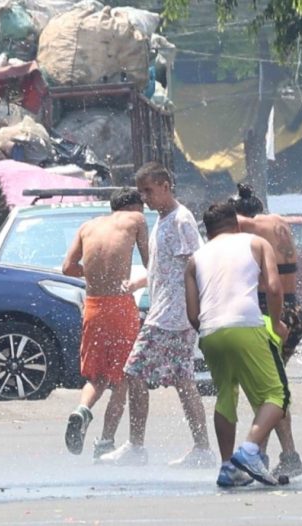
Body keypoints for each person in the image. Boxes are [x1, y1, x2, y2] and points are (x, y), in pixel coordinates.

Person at [98, 162, 216, 468]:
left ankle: (136, 446)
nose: (145, 198)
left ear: (165, 185)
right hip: (169, 313)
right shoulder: (163, 220)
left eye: (149, 191)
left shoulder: (181, 220)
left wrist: (195, 311)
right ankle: (202, 449)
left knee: (133, 372)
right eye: (142, 192)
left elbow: (197, 264)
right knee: (184, 381)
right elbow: (163, 267)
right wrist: (139, 281)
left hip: (172, 318)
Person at [185, 202, 290, 486]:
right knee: (277, 396)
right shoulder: (255, 243)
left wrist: (212, 331)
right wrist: (277, 323)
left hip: (210, 331)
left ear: (207, 233)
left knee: (225, 396)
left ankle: (227, 466)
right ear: (237, 224)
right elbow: (274, 287)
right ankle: (249, 449)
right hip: (246, 324)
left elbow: (192, 314)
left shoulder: (195, 259)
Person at [61, 188, 149, 460]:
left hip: (93, 306)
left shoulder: (87, 226)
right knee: (121, 379)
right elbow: (152, 263)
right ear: (134, 206)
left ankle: (81, 411)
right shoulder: (136, 220)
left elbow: (68, 268)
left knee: (97, 377)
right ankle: (106, 441)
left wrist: (97, 273)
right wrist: (137, 282)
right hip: (120, 306)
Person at [229, 183, 302, 479]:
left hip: (273, 313)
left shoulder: (249, 225)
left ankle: (278, 454)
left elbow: (227, 223)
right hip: (294, 310)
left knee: (269, 391)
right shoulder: (279, 223)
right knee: (270, 387)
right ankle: (263, 454)